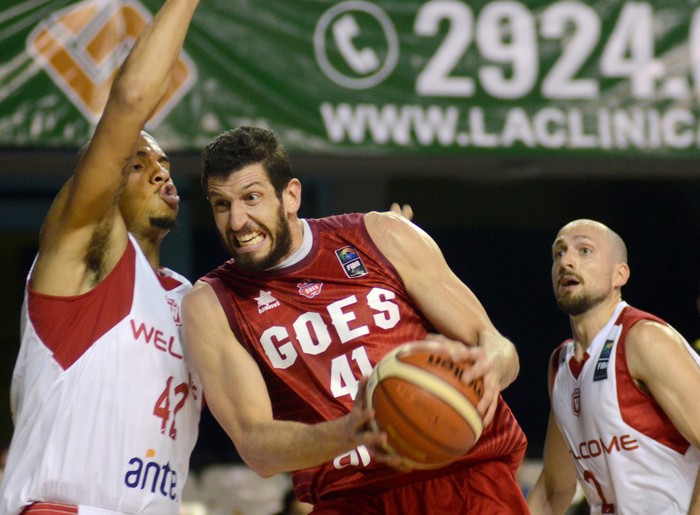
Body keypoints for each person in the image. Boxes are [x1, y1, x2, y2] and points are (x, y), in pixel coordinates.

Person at [181, 126, 529, 513]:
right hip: (351, 496)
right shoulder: (212, 303)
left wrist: (490, 366)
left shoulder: (380, 234)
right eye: (221, 204)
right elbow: (257, 447)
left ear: (291, 195)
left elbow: (497, 346)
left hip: (463, 475)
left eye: (252, 198)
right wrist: (349, 432)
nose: (237, 221)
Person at [0, 1, 202, 513]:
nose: (161, 172)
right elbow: (131, 101)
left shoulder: (196, 300)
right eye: (138, 164)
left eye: (163, 162)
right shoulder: (82, 251)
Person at [527, 219, 700, 514]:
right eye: (559, 253)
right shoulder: (561, 365)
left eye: (584, 250)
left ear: (619, 274)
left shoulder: (644, 339)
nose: (566, 261)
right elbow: (554, 490)